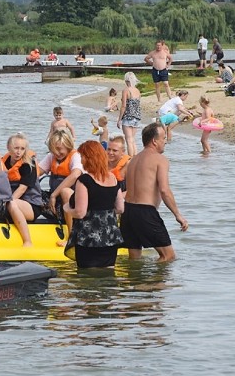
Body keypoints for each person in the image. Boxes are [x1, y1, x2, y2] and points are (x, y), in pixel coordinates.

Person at [120, 122, 188, 262]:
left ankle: (137, 284)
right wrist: (178, 215)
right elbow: (164, 190)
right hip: (145, 212)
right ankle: (153, 284)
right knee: (168, 256)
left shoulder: (133, 160)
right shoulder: (160, 159)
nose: (165, 142)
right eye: (163, 138)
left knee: (134, 260)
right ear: (154, 141)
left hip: (127, 212)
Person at [63, 140, 125, 268]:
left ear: (88, 158)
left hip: (88, 238)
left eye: (82, 158)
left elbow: (80, 212)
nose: (81, 162)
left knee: (87, 279)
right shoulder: (113, 178)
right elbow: (120, 208)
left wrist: (67, 208)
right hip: (110, 237)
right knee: (108, 276)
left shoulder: (85, 180)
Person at [37, 128, 83, 234]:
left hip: (75, 201)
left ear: (68, 145)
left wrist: (53, 195)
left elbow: (75, 175)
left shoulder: (75, 157)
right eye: (53, 149)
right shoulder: (51, 157)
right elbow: (37, 172)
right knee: (33, 191)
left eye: (59, 149)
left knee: (65, 191)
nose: (57, 153)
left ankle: (71, 235)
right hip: (57, 203)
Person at [2, 133, 43, 247]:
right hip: (12, 201)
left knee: (12, 203)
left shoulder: (29, 165)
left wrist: (5, 203)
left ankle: (27, 241)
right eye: (16, 148)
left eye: (22, 149)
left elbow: (22, 189)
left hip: (31, 205)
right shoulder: (3, 162)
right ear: (8, 147)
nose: (18, 152)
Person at [117, 72, 142, 157]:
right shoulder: (137, 91)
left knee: (128, 139)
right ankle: (135, 158)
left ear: (126, 80)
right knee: (132, 139)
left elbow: (123, 106)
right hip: (137, 117)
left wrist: (119, 119)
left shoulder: (126, 90)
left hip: (128, 116)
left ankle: (131, 159)